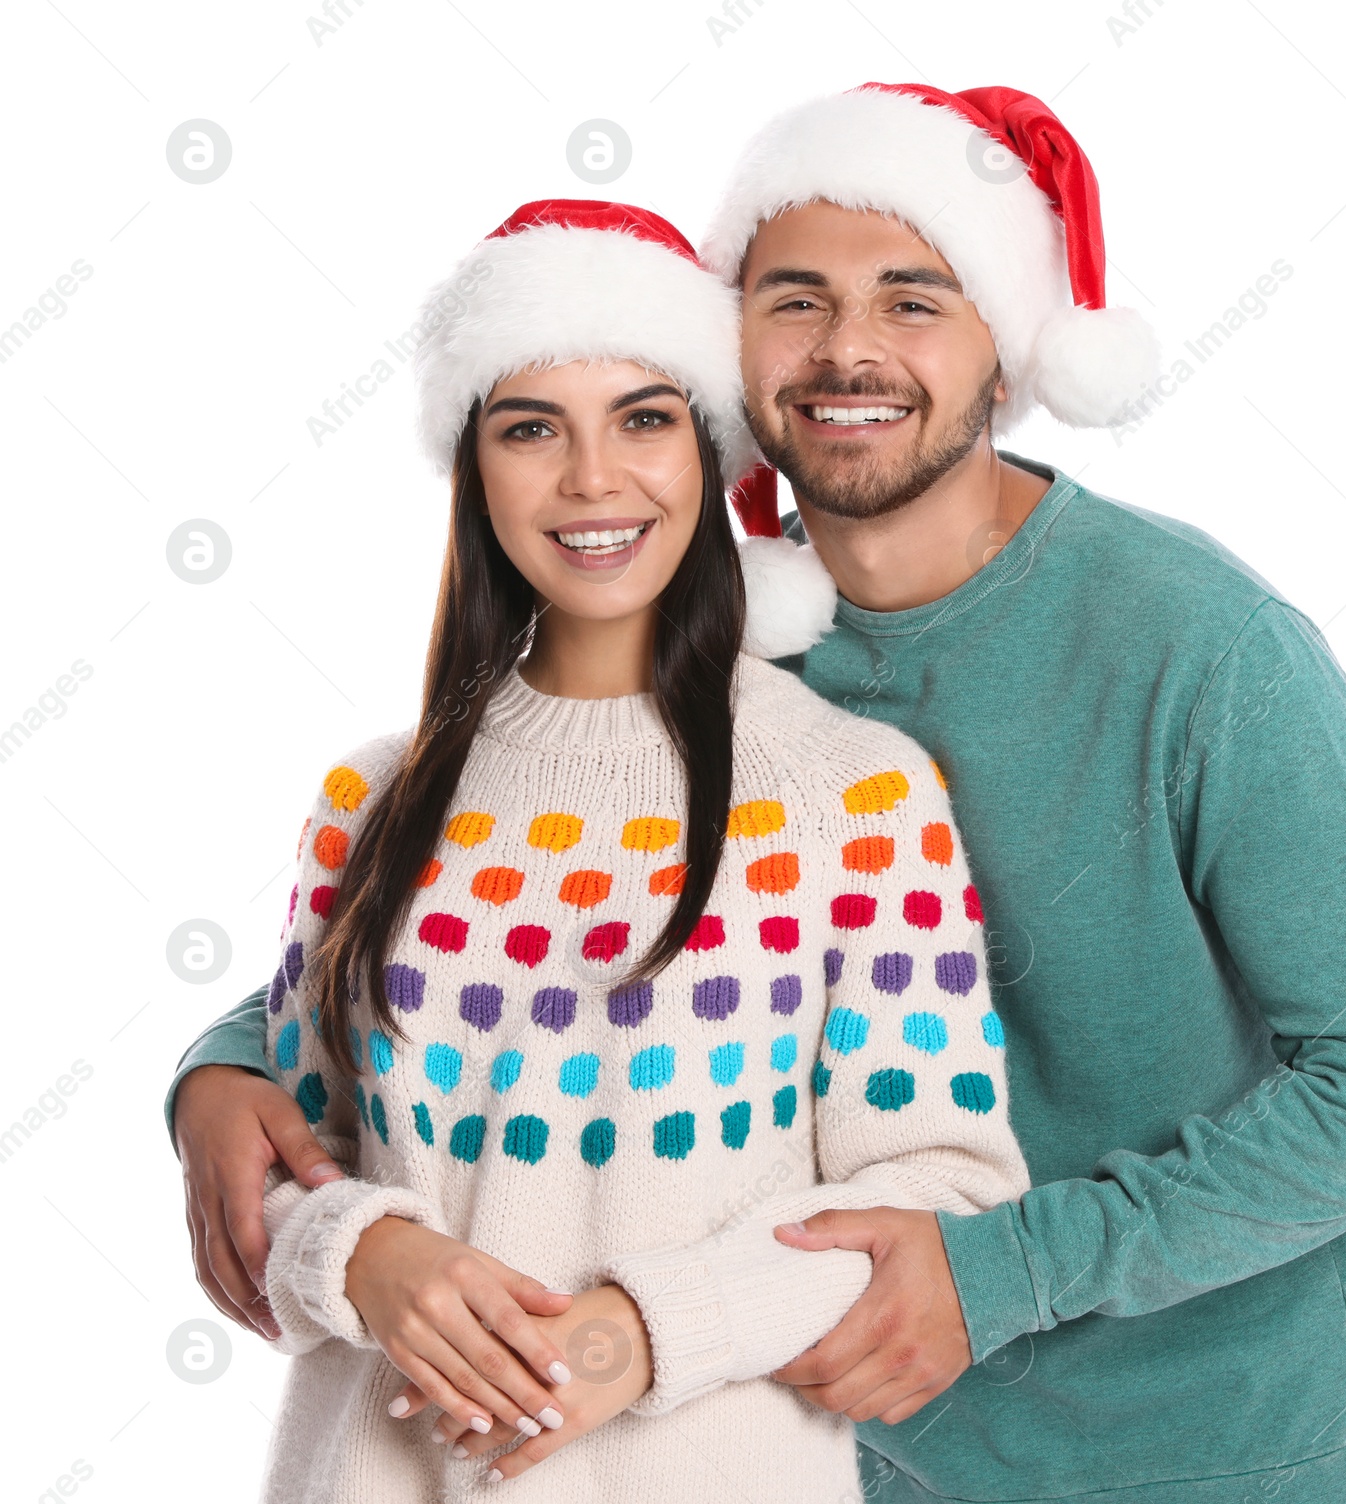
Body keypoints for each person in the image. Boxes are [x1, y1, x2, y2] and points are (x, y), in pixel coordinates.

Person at [170, 86, 1346, 1504]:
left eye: (915, 300)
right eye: (797, 300)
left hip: (1205, 1461)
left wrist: (1003, 1273)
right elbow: (501, 909)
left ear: (1007, 346)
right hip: (842, 1456)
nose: (850, 347)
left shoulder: (1204, 650)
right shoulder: (699, 632)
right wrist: (227, 1069)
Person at [198, 194, 1030, 1502]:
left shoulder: (853, 793)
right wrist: (359, 1255)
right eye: (533, 428)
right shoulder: (370, 802)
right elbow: (284, 1167)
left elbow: (943, 1183)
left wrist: (644, 1335)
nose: (593, 480)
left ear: (707, 449)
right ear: (476, 467)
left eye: (644, 418)